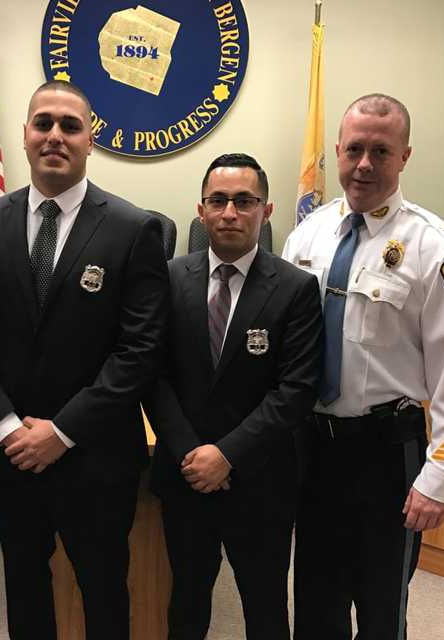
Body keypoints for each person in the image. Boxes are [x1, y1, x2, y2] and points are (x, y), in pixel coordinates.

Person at [0, 80, 168, 640]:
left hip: (95, 455)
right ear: (24, 135)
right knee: (22, 585)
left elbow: (138, 350)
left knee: (103, 588)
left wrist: (63, 431)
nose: (55, 136)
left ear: (91, 138)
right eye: (43, 123)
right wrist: (5, 426)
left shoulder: (133, 228)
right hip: (10, 451)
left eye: (70, 125)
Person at [282, 93, 444, 640]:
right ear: (338, 153)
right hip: (314, 448)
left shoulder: (437, 249)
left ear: (405, 156)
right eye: (353, 150)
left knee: (379, 602)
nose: (364, 164)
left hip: (386, 452)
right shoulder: (309, 234)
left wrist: (439, 478)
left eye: (380, 151)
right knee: (315, 599)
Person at [143, 154, 323, 640]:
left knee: (265, 606)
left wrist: (226, 455)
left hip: (261, 480)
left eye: (245, 201)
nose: (230, 213)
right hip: (186, 477)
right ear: (200, 211)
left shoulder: (296, 288)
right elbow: (152, 377)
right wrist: (191, 454)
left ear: (266, 211)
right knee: (186, 601)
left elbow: (296, 390)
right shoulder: (166, 278)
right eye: (218, 201)